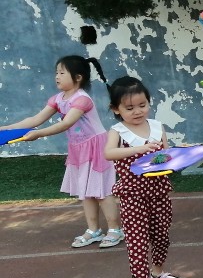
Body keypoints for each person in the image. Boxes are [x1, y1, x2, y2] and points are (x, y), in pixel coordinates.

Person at [2, 55, 123, 249]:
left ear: (78, 77)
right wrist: (6, 128)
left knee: (102, 191)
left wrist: (38, 134)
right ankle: (93, 230)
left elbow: (66, 123)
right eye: (56, 72)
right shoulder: (58, 99)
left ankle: (115, 230)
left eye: (61, 72)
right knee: (85, 191)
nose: (57, 76)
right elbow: (35, 120)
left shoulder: (82, 99)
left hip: (97, 147)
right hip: (78, 149)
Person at [104, 77, 185, 278]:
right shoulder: (117, 131)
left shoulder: (157, 127)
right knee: (137, 241)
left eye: (142, 105)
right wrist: (138, 149)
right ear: (116, 109)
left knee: (161, 235)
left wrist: (179, 155)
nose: (137, 111)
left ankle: (157, 273)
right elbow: (109, 153)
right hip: (132, 195)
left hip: (159, 192)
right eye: (129, 108)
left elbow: (166, 156)